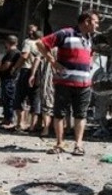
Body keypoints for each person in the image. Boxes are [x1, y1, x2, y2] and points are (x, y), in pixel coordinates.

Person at [36, 10, 100, 156]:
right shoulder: (66, 33)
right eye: (95, 22)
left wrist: (90, 62)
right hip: (64, 82)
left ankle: (78, 145)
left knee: (81, 114)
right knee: (59, 114)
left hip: (84, 84)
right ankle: (59, 143)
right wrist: (53, 62)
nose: (97, 25)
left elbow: (93, 52)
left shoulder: (91, 38)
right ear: (87, 22)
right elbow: (40, 43)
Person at [13, 27, 42, 131]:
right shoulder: (43, 45)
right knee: (35, 98)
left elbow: (24, 56)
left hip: (26, 71)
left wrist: (15, 67)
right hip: (39, 73)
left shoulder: (28, 42)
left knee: (20, 97)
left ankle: (20, 123)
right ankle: (32, 126)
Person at [0, 35, 21, 129]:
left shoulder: (12, 53)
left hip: (9, 79)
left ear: (7, 43)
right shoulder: (14, 52)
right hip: (8, 79)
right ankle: (7, 118)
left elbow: (7, 65)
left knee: (9, 99)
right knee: (6, 99)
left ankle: (9, 119)